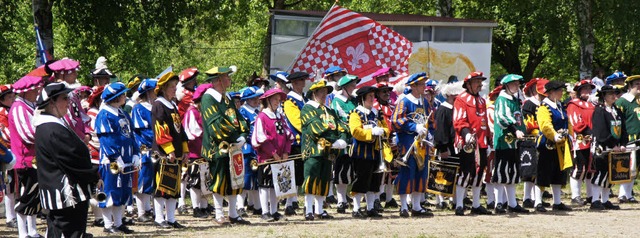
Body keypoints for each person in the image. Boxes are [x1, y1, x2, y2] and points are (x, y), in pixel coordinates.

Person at [34, 82, 99, 237]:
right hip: (66, 195)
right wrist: (94, 175)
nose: (68, 102)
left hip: (65, 194)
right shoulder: (52, 129)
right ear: (51, 102)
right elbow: (71, 160)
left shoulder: (53, 125)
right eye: (64, 98)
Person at [201, 66, 251, 225]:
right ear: (218, 80)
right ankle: (218, 213)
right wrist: (235, 137)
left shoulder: (227, 97)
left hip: (233, 146)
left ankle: (233, 213)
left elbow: (239, 118)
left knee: (234, 179)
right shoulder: (208, 98)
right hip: (217, 147)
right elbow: (215, 124)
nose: (230, 80)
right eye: (227, 77)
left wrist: (243, 135)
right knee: (219, 179)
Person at [300, 80, 348, 220]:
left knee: (324, 179)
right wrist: (334, 140)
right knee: (311, 178)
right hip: (313, 151)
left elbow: (342, 127)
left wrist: (343, 139)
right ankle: (308, 209)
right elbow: (316, 129)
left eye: (325, 92)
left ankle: (319, 210)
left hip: (328, 153)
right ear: (314, 93)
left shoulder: (329, 110)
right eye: (321, 92)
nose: (324, 95)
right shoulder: (307, 109)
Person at [94, 82, 139, 234]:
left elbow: (131, 136)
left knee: (122, 191)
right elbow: (106, 139)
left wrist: (135, 153)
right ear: (115, 97)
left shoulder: (123, 113)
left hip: (126, 160)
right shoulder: (104, 115)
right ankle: (108, 225)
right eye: (123, 94)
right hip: (111, 162)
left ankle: (119, 223)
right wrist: (115, 158)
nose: (125, 96)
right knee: (110, 191)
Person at [391, 72, 434, 217]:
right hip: (408, 144)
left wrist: (429, 133)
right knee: (407, 174)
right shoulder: (404, 101)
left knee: (421, 174)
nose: (424, 87)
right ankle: (403, 206)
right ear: (413, 86)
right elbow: (396, 121)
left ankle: (416, 206)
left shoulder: (425, 102)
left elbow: (431, 122)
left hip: (422, 146)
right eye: (421, 84)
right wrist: (414, 127)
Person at [151, 72, 188, 229]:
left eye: (175, 86)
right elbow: (161, 130)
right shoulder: (158, 105)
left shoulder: (172, 105)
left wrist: (185, 150)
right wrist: (169, 150)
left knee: (174, 187)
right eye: (171, 87)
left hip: (177, 152)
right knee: (162, 187)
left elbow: (181, 130)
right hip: (164, 153)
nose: (174, 89)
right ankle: (159, 218)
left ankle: (171, 218)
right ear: (164, 88)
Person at [452, 71, 492, 216]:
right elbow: (458, 120)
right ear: (468, 84)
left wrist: (488, 140)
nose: (479, 84)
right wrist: (466, 133)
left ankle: (476, 204)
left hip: (481, 142)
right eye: (476, 82)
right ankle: (459, 204)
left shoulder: (482, 101)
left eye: (480, 82)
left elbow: (484, 123)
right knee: (466, 172)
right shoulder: (461, 99)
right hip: (466, 142)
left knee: (479, 173)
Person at [251, 88, 293, 222]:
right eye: (275, 99)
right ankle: (265, 211)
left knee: (276, 185)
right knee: (264, 185)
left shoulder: (280, 116)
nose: (277, 102)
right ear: (268, 100)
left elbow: (287, 135)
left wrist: (286, 151)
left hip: (280, 157)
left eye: (279, 100)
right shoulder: (262, 117)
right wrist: (273, 153)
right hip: (266, 158)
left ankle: (274, 211)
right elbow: (261, 138)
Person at [9, 74, 44, 238]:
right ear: (25, 91)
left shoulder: (31, 106)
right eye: (34, 89)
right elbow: (27, 134)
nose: (37, 92)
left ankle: (33, 231)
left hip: (35, 159)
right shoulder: (18, 108)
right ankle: (23, 232)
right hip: (25, 160)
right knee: (25, 197)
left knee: (35, 198)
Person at [348, 86, 389, 218]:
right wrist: (371, 132)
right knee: (361, 180)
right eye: (370, 96)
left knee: (374, 182)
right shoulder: (355, 113)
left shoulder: (377, 113)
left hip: (376, 152)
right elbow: (355, 131)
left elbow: (386, 128)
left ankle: (371, 208)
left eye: (373, 96)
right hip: (361, 153)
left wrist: (383, 132)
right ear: (362, 98)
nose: (373, 99)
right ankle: (356, 208)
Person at [491, 74, 530, 214]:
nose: (516, 86)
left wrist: (521, 131)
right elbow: (503, 117)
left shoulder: (514, 100)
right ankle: (498, 203)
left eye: (517, 84)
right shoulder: (502, 99)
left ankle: (512, 203)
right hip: (504, 140)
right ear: (506, 85)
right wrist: (515, 130)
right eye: (513, 84)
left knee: (512, 172)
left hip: (514, 141)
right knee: (501, 172)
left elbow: (518, 118)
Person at [535, 80, 573, 212]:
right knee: (543, 173)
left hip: (561, 144)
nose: (561, 93)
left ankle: (557, 202)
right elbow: (545, 124)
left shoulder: (561, 106)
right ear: (551, 93)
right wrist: (554, 135)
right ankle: (538, 202)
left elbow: (567, 122)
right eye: (559, 91)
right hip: (547, 144)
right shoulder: (544, 107)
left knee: (558, 172)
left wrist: (571, 135)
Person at [591, 85, 625, 210]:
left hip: (615, 147)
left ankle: (605, 200)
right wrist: (612, 144)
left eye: (615, 93)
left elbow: (623, 130)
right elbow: (601, 132)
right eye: (610, 93)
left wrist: (622, 144)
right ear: (604, 96)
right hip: (602, 147)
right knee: (601, 173)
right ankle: (595, 200)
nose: (613, 95)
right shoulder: (600, 111)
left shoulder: (617, 111)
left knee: (610, 174)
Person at [183, 83, 214, 218]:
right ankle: (196, 208)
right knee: (196, 182)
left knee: (205, 181)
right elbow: (192, 133)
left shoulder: (204, 112)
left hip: (206, 151)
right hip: (195, 152)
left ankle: (204, 206)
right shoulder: (192, 112)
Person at [433, 82, 464, 212]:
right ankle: (440, 200)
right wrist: (443, 148)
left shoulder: (456, 109)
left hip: (456, 146)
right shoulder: (442, 110)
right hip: (446, 146)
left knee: (456, 174)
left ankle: (455, 200)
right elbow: (440, 130)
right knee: (443, 173)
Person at [130, 78, 158, 223]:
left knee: (152, 180)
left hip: (156, 149)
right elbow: (143, 130)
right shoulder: (138, 109)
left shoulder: (156, 106)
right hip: (144, 149)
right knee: (143, 180)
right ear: (148, 92)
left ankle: (149, 209)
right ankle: (142, 211)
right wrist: (158, 138)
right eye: (154, 90)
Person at [330, 74, 359, 213]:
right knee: (342, 171)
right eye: (352, 85)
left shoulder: (355, 101)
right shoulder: (337, 101)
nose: (354, 87)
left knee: (353, 171)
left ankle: (353, 199)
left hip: (356, 139)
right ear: (345, 87)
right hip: (343, 139)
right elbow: (340, 120)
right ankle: (341, 200)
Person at [566, 80, 596, 206]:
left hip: (593, 141)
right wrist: (590, 131)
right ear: (579, 91)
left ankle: (590, 196)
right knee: (579, 168)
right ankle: (575, 196)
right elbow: (576, 122)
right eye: (585, 89)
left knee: (591, 169)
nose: (588, 91)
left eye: (589, 89)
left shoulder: (592, 105)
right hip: (580, 141)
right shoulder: (573, 104)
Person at [282, 72, 309, 210]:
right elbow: (297, 122)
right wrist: (311, 128)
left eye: (303, 80)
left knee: (299, 173)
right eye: (300, 81)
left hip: (304, 140)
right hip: (294, 141)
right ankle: (289, 202)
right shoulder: (290, 101)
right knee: (291, 173)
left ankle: (294, 200)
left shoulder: (303, 99)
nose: (303, 83)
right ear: (293, 83)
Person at [520, 78, 549, 208]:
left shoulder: (545, 104)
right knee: (531, 170)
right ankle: (527, 197)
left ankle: (535, 198)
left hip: (543, 139)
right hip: (532, 139)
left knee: (540, 170)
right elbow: (528, 123)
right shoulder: (528, 104)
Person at [238, 86, 263, 217]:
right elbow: (244, 129)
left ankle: (257, 206)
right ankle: (240, 205)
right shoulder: (243, 111)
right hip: (247, 148)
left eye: (257, 98)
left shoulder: (258, 112)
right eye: (252, 98)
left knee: (255, 179)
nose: (255, 100)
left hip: (257, 149)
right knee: (244, 179)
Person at [614, 75, 640, 203]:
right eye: (637, 84)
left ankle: (629, 194)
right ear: (630, 86)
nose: (639, 86)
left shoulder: (638, 101)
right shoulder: (622, 101)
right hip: (629, 139)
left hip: (638, 139)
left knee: (635, 168)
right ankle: (622, 194)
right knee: (628, 167)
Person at [373, 82, 399, 209]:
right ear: (377, 93)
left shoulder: (393, 107)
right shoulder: (374, 108)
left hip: (393, 144)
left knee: (392, 172)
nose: (387, 94)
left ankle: (389, 199)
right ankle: (377, 198)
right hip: (380, 144)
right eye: (384, 91)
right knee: (380, 173)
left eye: (388, 91)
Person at [0, 84, 17, 228]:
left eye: (13, 96)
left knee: (15, 186)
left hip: (15, 151)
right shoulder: (1, 114)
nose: (13, 99)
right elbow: (5, 135)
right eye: (9, 97)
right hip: (6, 153)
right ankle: (10, 217)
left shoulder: (13, 110)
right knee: (8, 186)